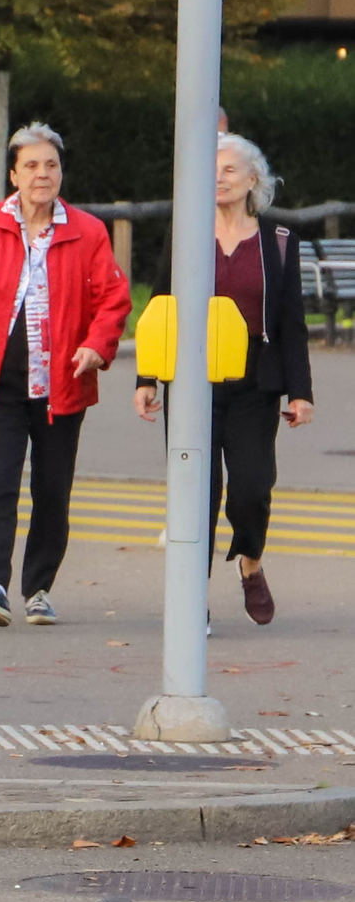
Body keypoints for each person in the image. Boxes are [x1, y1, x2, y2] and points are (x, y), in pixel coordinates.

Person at [0, 123, 132, 627]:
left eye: (50, 165)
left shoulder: (87, 231)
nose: (42, 174)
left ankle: (39, 589)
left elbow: (114, 299)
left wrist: (96, 346)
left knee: (52, 490)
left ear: (61, 171)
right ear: (13, 174)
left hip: (61, 382)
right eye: (31, 165)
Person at [134, 133, 316, 624]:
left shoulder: (278, 242)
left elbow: (291, 321)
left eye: (229, 169)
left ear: (253, 179)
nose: (217, 178)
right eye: (211, 169)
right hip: (193, 379)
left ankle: (251, 561)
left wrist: (301, 391)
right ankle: (194, 607)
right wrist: (147, 376)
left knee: (252, 490)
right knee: (197, 495)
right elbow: (160, 304)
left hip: (255, 382)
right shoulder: (187, 233)